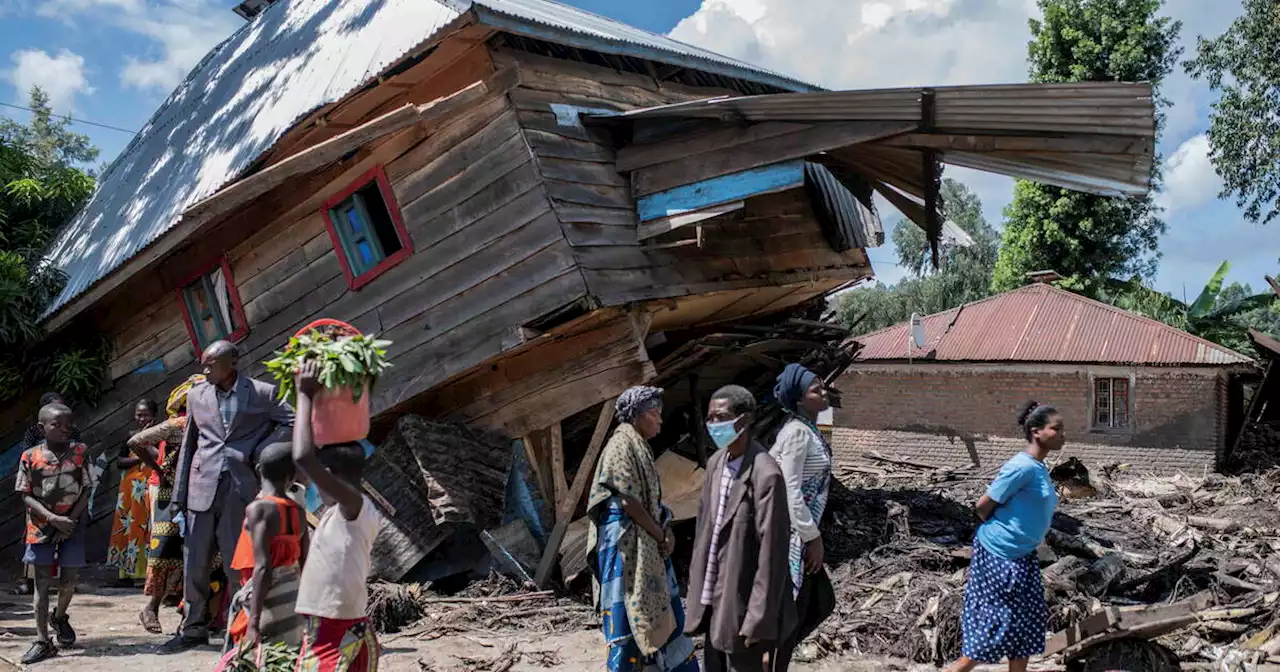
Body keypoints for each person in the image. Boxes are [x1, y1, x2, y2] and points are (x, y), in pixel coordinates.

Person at [163, 341, 295, 653]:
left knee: (239, 564)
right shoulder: (196, 396)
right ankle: (192, 628)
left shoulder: (262, 393)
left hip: (241, 488)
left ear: (232, 362)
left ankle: (239, 630)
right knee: (194, 562)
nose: (205, 370)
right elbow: (189, 444)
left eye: (211, 364)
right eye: (204, 364)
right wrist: (178, 496)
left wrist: (262, 450)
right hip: (201, 488)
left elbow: (290, 421)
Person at [944, 401, 1065, 672]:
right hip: (1000, 555)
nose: (1062, 435)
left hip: (1023, 555)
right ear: (1036, 431)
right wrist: (1005, 534)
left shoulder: (1039, 467)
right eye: (1056, 429)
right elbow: (983, 506)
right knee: (994, 627)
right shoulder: (1020, 467)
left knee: (1025, 628)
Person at [587, 386, 699, 672]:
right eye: (653, 414)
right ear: (635, 416)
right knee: (628, 616)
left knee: (661, 615)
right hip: (626, 551)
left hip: (646, 544)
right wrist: (660, 534)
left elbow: (651, 503)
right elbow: (627, 500)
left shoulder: (640, 447)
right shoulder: (620, 446)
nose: (659, 420)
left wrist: (666, 532)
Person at [685, 385, 794, 672]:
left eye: (720, 418)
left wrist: (758, 617)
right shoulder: (715, 465)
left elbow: (773, 554)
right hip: (712, 602)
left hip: (743, 605)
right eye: (709, 418)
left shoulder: (766, 475)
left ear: (744, 421)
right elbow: (703, 534)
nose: (713, 425)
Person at [292, 360, 381, 672]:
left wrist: (304, 394)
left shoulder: (354, 507)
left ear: (329, 475)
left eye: (319, 478)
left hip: (337, 624)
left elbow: (302, 457)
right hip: (332, 619)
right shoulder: (338, 513)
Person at [768, 365, 836, 671]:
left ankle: (772, 661)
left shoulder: (807, 429)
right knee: (793, 615)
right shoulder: (796, 433)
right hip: (792, 537)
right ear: (798, 399)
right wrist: (812, 537)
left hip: (799, 534)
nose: (823, 393)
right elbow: (790, 490)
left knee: (809, 608)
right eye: (815, 389)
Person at [15, 403, 92, 664]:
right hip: (41, 527)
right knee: (42, 585)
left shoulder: (80, 452)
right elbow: (25, 495)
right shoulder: (30, 456)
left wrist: (69, 519)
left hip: (72, 524)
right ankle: (42, 640)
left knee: (69, 581)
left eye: (67, 424)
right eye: (55, 425)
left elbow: (86, 489)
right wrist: (52, 518)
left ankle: (59, 616)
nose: (63, 429)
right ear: (41, 428)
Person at [223, 441, 308, 661]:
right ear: (293, 475)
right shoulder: (298, 511)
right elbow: (305, 560)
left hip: (265, 600)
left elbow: (263, 568)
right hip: (291, 595)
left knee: (258, 658)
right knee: (286, 657)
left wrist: (253, 623)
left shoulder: (259, 509)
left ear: (259, 470)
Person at [16, 392, 81, 597]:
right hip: (40, 496)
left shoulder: (73, 433)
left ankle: (67, 581)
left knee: (68, 540)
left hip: (68, 495)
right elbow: (29, 459)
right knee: (34, 540)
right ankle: (29, 579)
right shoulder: (33, 435)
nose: (63, 424)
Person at [107, 399, 159, 586]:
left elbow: (158, 457)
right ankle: (126, 574)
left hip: (148, 490)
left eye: (146, 414)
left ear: (154, 416)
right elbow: (120, 462)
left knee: (146, 528)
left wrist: (146, 442)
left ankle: (144, 574)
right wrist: (139, 456)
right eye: (139, 414)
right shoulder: (130, 436)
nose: (142, 418)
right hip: (129, 492)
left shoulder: (159, 436)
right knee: (128, 528)